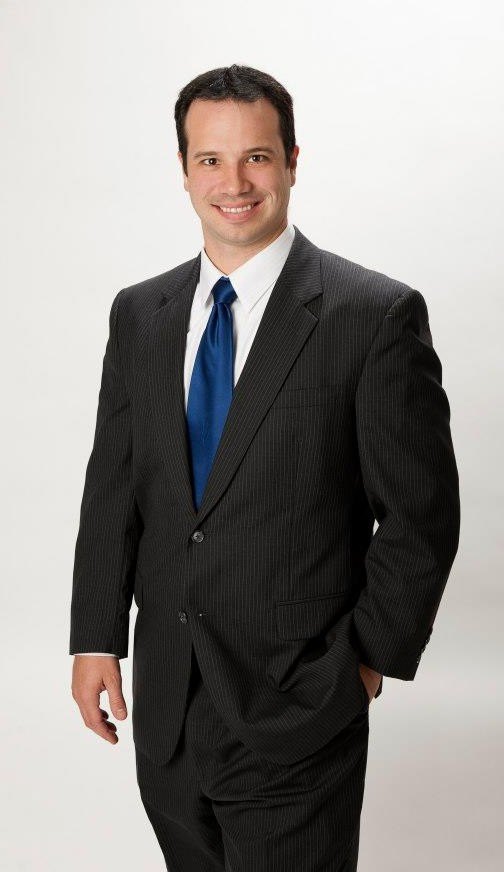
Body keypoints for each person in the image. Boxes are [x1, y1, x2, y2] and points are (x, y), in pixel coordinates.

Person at [69, 64, 460, 871]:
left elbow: (421, 515)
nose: (235, 182)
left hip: (300, 705)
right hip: (169, 708)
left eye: (256, 156)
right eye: (210, 160)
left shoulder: (373, 315)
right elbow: (114, 486)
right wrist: (94, 638)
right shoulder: (140, 315)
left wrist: (363, 665)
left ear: (291, 161)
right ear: (184, 171)